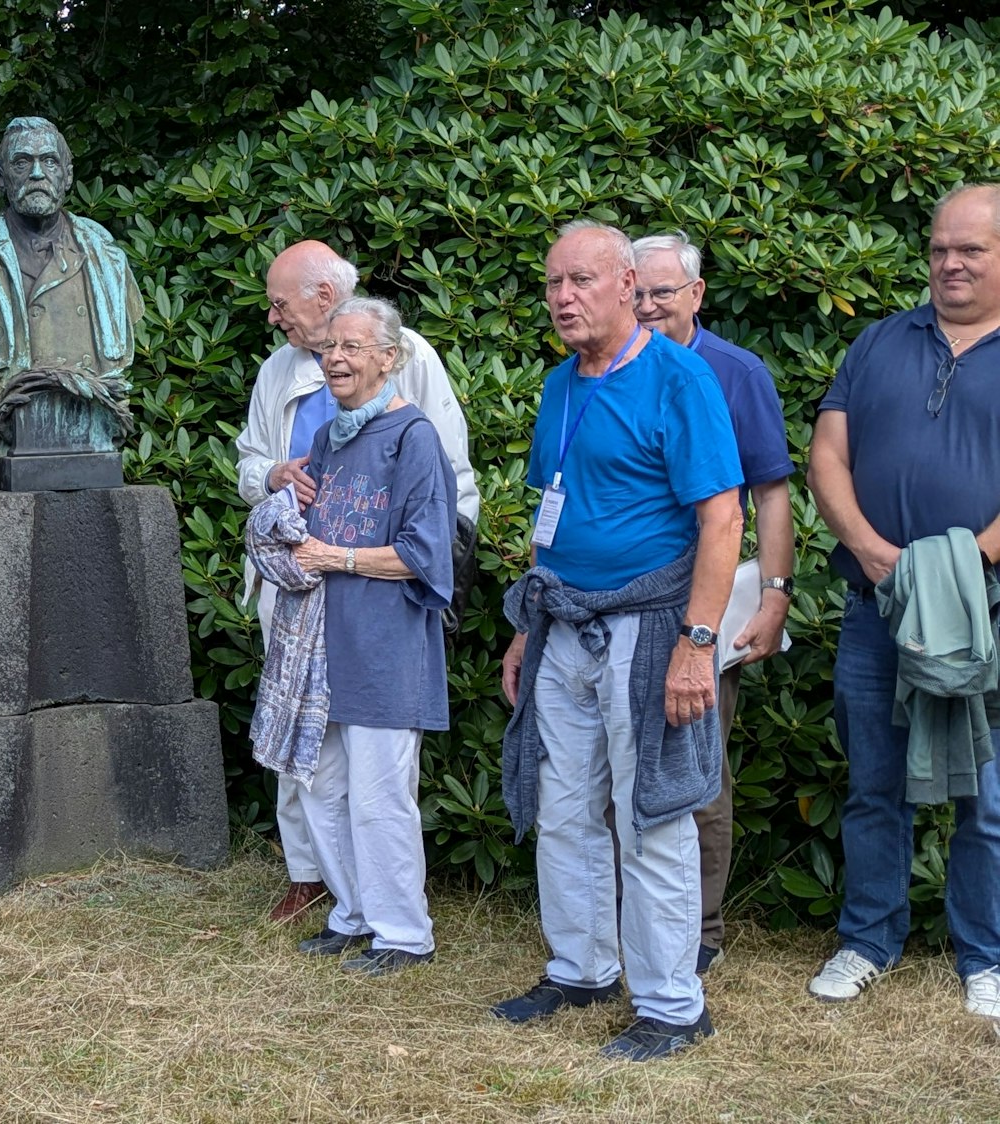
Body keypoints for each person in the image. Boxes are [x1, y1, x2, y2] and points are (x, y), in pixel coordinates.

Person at [494, 220, 742, 1061]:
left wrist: (695, 644)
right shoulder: (561, 384)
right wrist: (528, 625)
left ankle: (672, 1006)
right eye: (553, 283)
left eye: (581, 282)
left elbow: (721, 519)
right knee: (563, 811)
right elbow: (549, 509)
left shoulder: (678, 378)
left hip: (648, 626)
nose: (563, 298)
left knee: (652, 818)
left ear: (628, 285)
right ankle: (581, 967)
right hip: (562, 623)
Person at [234, 238, 478, 924]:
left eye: (280, 302)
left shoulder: (409, 375)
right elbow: (251, 465)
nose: (273, 316)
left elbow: (442, 479)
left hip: (380, 600)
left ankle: (392, 921)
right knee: (306, 751)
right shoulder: (284, 380)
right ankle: (326, 889)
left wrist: (433, 568)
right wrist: (275, 479)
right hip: (301, 595)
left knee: (375, 778)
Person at [804, 183, 1000, 1032]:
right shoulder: (879, 340)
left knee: (986, 797)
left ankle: (985, 955)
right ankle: (868, 939)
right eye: (938, 249)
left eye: (971, 251)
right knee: (872, 784)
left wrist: (957, 564)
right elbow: (826, 454)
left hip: (987, 610)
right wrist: (882, 560)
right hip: (873, 607)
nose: (949, 264)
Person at [631, 231, 796, 973]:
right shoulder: (604, 369)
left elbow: (770, 493)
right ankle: (629, 920)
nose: (645, 305)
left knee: (699, 772)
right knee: (617, 769)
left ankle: (698, 934)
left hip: (707, 602)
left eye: (660, 292)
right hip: (615, 603)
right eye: (634, 291)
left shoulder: (735, 372)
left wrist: (774, 594)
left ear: (696, 294)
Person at [0, 116, 143, 456]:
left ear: (67, 176)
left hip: (93, 448)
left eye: (49, 161)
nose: (37, 173)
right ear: (1, 178)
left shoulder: (107, 259)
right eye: (22, 162)